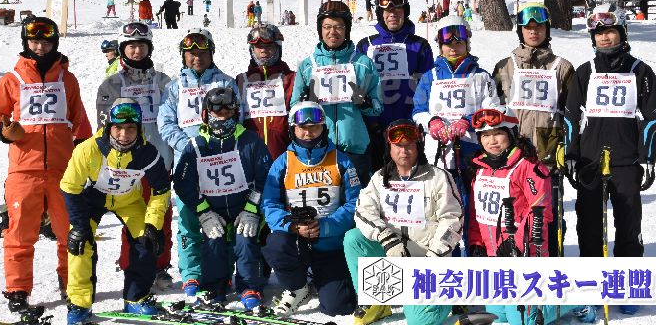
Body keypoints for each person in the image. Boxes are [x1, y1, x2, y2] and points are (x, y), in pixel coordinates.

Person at [0, 17, 92, 312]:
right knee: (20, 233)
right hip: (24, 168)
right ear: (26, 43)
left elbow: (80, 119)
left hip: (62, 169)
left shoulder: (67, 80)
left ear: (54, 43)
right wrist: (3, 131)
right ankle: (18, 289)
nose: (40, 47)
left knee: (69, 231)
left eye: (46, 42)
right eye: (34, 41)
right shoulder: (11, 79)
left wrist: (84, 153)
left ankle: (71, 283)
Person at [564, 4, 656, 315]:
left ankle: (629, 285)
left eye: (610, 32)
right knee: (589, 226)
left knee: (629, 224)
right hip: (591, 161)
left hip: (626, 160)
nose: (604, 38)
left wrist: (648, 158)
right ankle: (591, 284)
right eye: (599, 33)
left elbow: (651, 119)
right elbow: (570, 117)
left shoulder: (641, 72)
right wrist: (571, 154)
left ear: (622, 33)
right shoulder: (585, 72)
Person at [466, 106, 595, 325]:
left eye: (498, 133)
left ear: (511, 133)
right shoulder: (479, 169)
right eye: (485, 135)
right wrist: (476, 243)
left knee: (522, 321)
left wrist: (517, 245)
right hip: (494, 256)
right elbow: (477, 213)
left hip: (524, 253)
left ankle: (574, 298)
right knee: (499, 316)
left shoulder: (528, 166)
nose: (492, 141)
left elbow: (540, 212)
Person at [61, 98, 171, 324]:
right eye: (118, 128)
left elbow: (161, 189)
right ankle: (80, 304)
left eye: (131, 128)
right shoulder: (87, 149)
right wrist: (79, 225)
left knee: (147, 239)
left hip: (128, 201)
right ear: (109, 126)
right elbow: (70, 188)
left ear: (139, 128)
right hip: (90, 201)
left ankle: (136, 298)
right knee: (80, 243)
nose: (124, 134)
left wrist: (153, 223)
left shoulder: (147, 152)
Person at [344, 120, 463, 325]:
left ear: (419, 146)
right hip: (395, 253)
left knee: (420, 322)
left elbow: (453, 220)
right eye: (398, 146)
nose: (404, 151)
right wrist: (386, 238)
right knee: (354, 239)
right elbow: (363, 211)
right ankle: (376, 300)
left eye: (409, 145)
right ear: (389, 148)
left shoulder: (438, 177)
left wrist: (434, 257)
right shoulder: (380, 178)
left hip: (427, 261)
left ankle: (445, 299)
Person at [173, 87, 272, 309]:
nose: (223, 118)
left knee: (246, 240)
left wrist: (252, 209)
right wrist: (203, 211)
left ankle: (249, 286)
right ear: (206, 114)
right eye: (218, 113)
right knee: (213, 241)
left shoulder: (250, 141)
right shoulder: (196, 145)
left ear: (236, 113)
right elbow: (182, 182)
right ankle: (214, 287)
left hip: (243, 207)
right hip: (213, 209)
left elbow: (265, 177)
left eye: (228, 113)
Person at [158, 29, 239, 299]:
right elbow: (165, 123)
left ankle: (224, 271)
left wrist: (217, 143)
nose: (197, 58)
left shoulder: (226, 82)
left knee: (223, 220)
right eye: (191, 53)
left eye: (203, 52)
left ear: (211, 53)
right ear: (183, 56)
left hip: (220, 161)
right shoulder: (174, 87)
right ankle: (191, 273)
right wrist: (188, 147)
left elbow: (237, 117)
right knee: (189, 221)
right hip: (188, 163)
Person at [96, 22, 174, 291]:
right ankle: (132, 265)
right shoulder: (112, 84)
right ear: (122, 49)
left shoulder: (163, 81)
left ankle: (160, 266)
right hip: (127, 165)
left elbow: (173, 119)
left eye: (141, 45)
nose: (137, 51)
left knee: (161, 216)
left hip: (160, 160)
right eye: (131, 46)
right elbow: (103, 129)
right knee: (132, 218)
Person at [492, 2, 575, 257]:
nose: (533, 32)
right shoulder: (504, 66)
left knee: (548, 215)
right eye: (528, 27)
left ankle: (551, 264)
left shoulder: (562, 66)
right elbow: (493, 111)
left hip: (547, 147)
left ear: (547, 30)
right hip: (513, 150)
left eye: (539, 27)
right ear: (520, 31)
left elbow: (572, 114)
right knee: (513, 213)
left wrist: (569, 149)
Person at [262, 102, 359, 317]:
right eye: (302, 128)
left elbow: (355, 204)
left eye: (314, 127)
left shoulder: (342, 161)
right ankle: (297, 287)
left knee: (339, 308)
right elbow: (269, 204)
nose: (308, 133)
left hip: (329, 242)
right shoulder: (282, 163)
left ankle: (321, 278)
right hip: (296, 240)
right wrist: (292, 226)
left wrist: (326, 226)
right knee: (276, 243)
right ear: (292, 129)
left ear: (323, 127)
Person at [412, 15, 499, 253]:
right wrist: (432, 122)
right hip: (439, 155)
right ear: (439, 45)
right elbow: (418, 110)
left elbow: (492, 112)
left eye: (459, 42)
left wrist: (469, 121)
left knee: (473, 210)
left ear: (467, 43)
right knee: (444, 212)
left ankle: (475, 256)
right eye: (447, 43)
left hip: (472, 153)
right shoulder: (430, 77)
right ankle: (446, 257)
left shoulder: (482, 77)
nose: (453, 47)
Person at [291, 1, 382, 186]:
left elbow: (378, 106)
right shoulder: (307, 66)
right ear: (320, 29)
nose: (332, 32)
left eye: (339, 27)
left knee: (357, 199)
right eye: (327, 27)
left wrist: (365, 103)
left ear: (346, 29)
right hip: (318, 148)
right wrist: (306, 104)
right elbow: (293, 109)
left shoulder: (363, 63)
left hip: (355, 148)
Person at [356, 0, 434, 176]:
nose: (393, 15)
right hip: (374, 128)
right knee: (377, 180)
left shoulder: (419, 45)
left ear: (405, 12)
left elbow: (429, 89)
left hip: (408, 129)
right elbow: (360, 88)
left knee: (409, 180)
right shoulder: (366, 45)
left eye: (398, 10)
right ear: (379, 13)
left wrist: (416, 122)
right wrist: (372, 122)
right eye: (387, 11)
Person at [236, 24, 295, 160]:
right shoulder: (241, 80)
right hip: (250, 157)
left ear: (278, 47)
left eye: (269, 46)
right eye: (258, 47)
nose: (263, 50)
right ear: (252, 50)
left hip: (284, 155)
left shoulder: (292, 78)